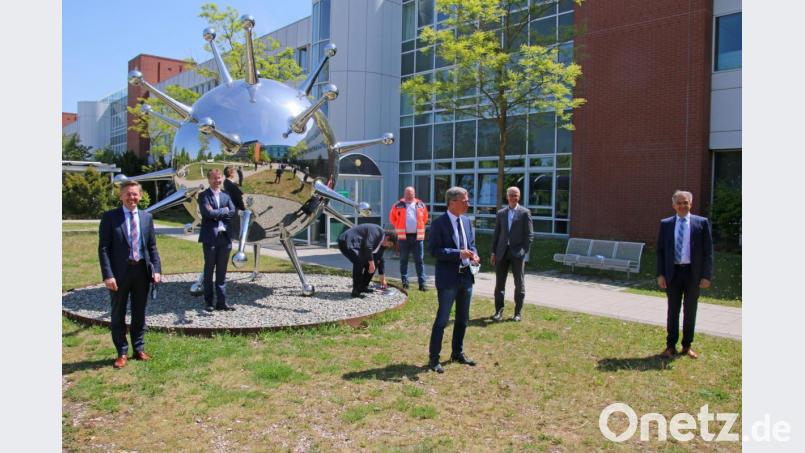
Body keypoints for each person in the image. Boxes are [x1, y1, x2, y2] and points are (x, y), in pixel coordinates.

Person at [98, 180, 162, 369]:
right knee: (118, 313)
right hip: (119, 274)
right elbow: (103, 248)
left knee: (139, 312)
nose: (131, 197)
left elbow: (152, 246)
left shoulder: (146, 217)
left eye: (135, 194)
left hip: (141, 271)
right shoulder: (110, 217)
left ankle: (139, 348)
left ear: (140, 196)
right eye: (128, 194)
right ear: (121, 196)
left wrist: (156, 269)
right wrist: (108, 275)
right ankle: (122, 352)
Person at [427, 187, 480, 373]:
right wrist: (458, 254)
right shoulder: (439, 224)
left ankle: (457, 352)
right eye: (464, 201)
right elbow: (434, 251)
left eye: (467, 200)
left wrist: (474, 255)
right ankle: (434, 359)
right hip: (448, 278)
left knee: (463, 319)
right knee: (442, 320)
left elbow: (471, 245)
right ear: (452, 202)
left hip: (466, 277)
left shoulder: (466, 221)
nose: (468, 204)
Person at [656, 190, 713, 359]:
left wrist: (706, 276)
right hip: (672, 273)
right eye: (679, 203)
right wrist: (660, 274)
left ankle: (687, 346)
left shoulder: (701, 223)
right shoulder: (665, 224)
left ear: (691, 204)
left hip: (692, 274)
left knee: (690, 311)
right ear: (673, 205)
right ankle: (670, 346)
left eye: (685, 202)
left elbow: (708, 252)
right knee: (672, 310)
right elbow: (660, 251)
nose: (682, 205)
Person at [490, 187, 533, 322]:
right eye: (512, 195)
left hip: (517, 253)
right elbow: (497, 234)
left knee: (519, 283)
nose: (514, 197)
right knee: (499, 283)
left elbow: (530, 234)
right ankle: (498, 311)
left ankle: (517, 313)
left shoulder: (525, 213)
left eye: (516, 195)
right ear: (507, 197)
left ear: (519, 197)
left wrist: (523, 251)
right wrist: (493, 252)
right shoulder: (501, 213)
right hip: (502, 252)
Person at [198, 168, 237, 312]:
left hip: (225, 238)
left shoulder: (226, 195)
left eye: (219, 178)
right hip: (210, 238)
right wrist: (223, 211)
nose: (217, 181)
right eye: (214, 178)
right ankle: (209, 302)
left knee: (222, 272)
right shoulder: (204, 196)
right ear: (209, 180)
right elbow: (207, 213)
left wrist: (218, 213)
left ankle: (222, 302)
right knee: (209, 271)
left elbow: (232, 212)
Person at [337, 224, 396, 298]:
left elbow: (380, 260)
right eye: (389, 244)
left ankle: (363, 286)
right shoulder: (377, 232)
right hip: (347, 241)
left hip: (357, 245)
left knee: (374, 263)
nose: (388, 246)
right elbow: (368, 246)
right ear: (387, 238)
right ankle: (356, 290)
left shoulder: (381, 244)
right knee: (359, 263)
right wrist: (371, 264)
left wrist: (383, 279)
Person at [389, 186, 429, 291]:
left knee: (419, 260)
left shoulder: (421, 204)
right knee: (403, 260)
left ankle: (422, 284)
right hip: (403, 237)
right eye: (407, 194)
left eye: (411, 194)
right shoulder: (397, 205)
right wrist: (398, 225)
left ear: (414, 194)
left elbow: (425, 218)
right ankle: (405, 282)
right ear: (404, 194)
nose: (409, 196)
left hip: (418, 237)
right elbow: (392, 218)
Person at [223, 166, 246, 239]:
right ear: (231, 174)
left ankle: (232, 235)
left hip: (232, 205)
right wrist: (243, 208)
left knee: (233, 222)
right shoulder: (231, 184)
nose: (235, 174)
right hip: (235, 206)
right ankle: (235, 237)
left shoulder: (226, 182)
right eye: (233, 172)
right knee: (236, 222)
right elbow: (238, 198)